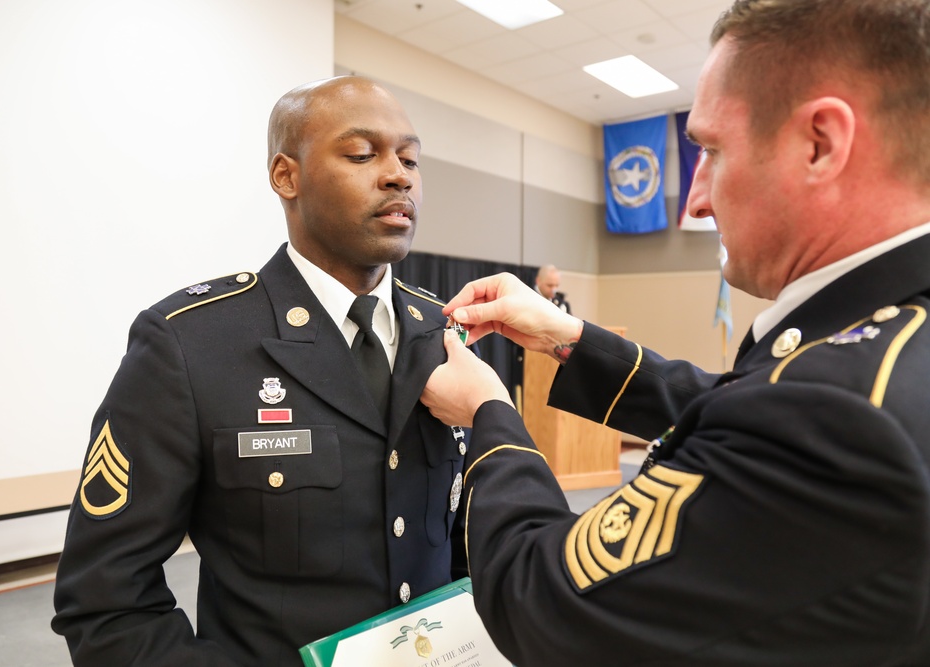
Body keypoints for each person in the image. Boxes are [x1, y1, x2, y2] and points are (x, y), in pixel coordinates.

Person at [420, 1, 930, 665]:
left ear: (820, 144)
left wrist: (490, 412)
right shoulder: (882, 349)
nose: (695, 199)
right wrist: (565, 336)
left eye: (712, 151)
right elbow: (734, 405)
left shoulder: (843, 416)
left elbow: (544, 602)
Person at [52, 76, 470, 667]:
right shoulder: (191, 342)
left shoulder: (443, 332)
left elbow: (466, 547)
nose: (398, 174)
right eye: (360, 154)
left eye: (409, 158)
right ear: (286, 176)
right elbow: (105, 600)